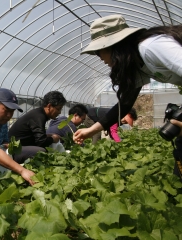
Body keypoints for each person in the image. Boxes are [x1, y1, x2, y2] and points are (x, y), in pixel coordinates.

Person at [73, 14, 182, 178]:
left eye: (99, 52)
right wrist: (90, 131)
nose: (100, 58)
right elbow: (124, 104)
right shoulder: (138, 62)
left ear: (114, 45)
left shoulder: (151, 47)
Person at [8, 91, 66, 160]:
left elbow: (36, 137)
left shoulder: (38, 114)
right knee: (41, 151)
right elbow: (41, 142)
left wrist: (48, 135)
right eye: (58, 109)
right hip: (13, 150)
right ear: (49, 106)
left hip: (22, 146)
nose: (59, 112)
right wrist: (53, 138)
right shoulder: (39, 116)